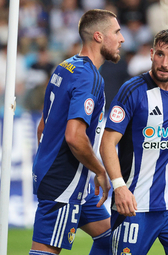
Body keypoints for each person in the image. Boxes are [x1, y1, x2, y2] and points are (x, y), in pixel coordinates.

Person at [100, 28, 168, 255]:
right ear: (151, 53)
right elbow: (107, 142)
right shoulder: (132, 90)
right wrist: (120, 188)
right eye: (160, 54)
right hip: (134, 204)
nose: (164, 63)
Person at [30, 9, 124, 255]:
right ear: (98, 36)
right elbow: (74, 136)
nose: (122, 39)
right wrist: (99, 170)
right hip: (63, 182)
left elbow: (43, 125)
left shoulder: (65, 66)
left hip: (70, 180)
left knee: (111, 240)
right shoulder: (89, 78)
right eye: (116, 32)